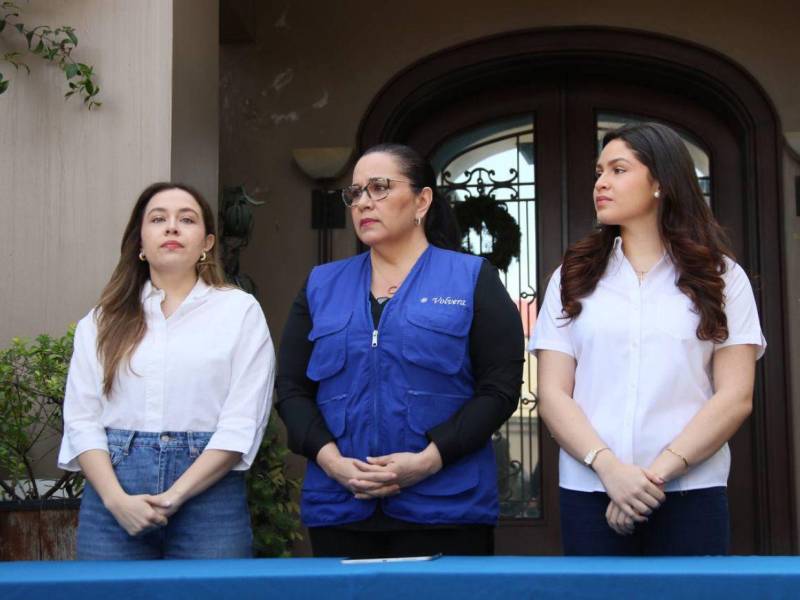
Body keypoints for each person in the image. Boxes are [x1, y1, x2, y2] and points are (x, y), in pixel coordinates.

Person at [276, 143, 524, 558]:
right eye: (355, 193)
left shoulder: (470, 278)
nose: (363, 203)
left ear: (422, 201)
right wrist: (333, 463)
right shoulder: (321, 284)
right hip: (342, 507)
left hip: (446, 508)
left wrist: (428, 460)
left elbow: (499, 389)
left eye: (379, 188)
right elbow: (291, 388)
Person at [530, 122, 766, 556]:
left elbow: (735, 397)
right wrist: (610, 470)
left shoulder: (722, 278)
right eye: (599, 172)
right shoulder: (572, 277)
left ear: (660, 182)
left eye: (618, 170)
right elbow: (552, 393)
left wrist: (654, 476)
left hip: (691, 491)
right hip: (590, 490)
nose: (601, 182)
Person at [58, 182, 275, 560]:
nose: (172, 227)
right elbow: (81, 419)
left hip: (210, 498)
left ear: (207, 242)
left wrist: (175, 496)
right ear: (140, 242)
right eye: (158, 219)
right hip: (114, 500)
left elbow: (242, 422)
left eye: (186, 219)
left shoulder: (240, 313)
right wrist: (116, 500)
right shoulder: (101, 321)